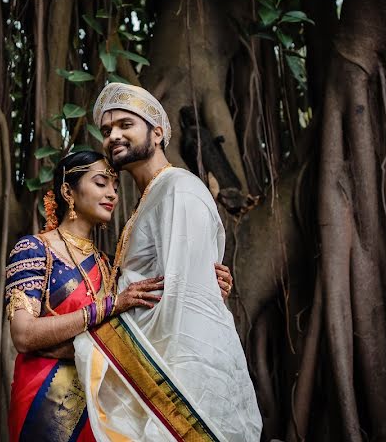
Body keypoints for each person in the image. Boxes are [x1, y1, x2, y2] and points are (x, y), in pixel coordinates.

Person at [73, 83, 262, 441]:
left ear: (157, 134)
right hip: (154, 380)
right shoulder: (151, 198)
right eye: (107, 130)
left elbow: (186, 306)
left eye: (126, 125)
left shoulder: (178, 189)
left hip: (177, 387)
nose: (113, 136)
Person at [5, 150, 234, 441]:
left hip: (102, 401)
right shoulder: (35, 250)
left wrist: (203, 286)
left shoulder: (112, 266)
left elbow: (153, 324)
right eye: (101, 183)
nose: (112, 193)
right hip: (46, 400)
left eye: (114, 186)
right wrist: (109, 306)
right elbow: (24, 335)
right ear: (67, 191)